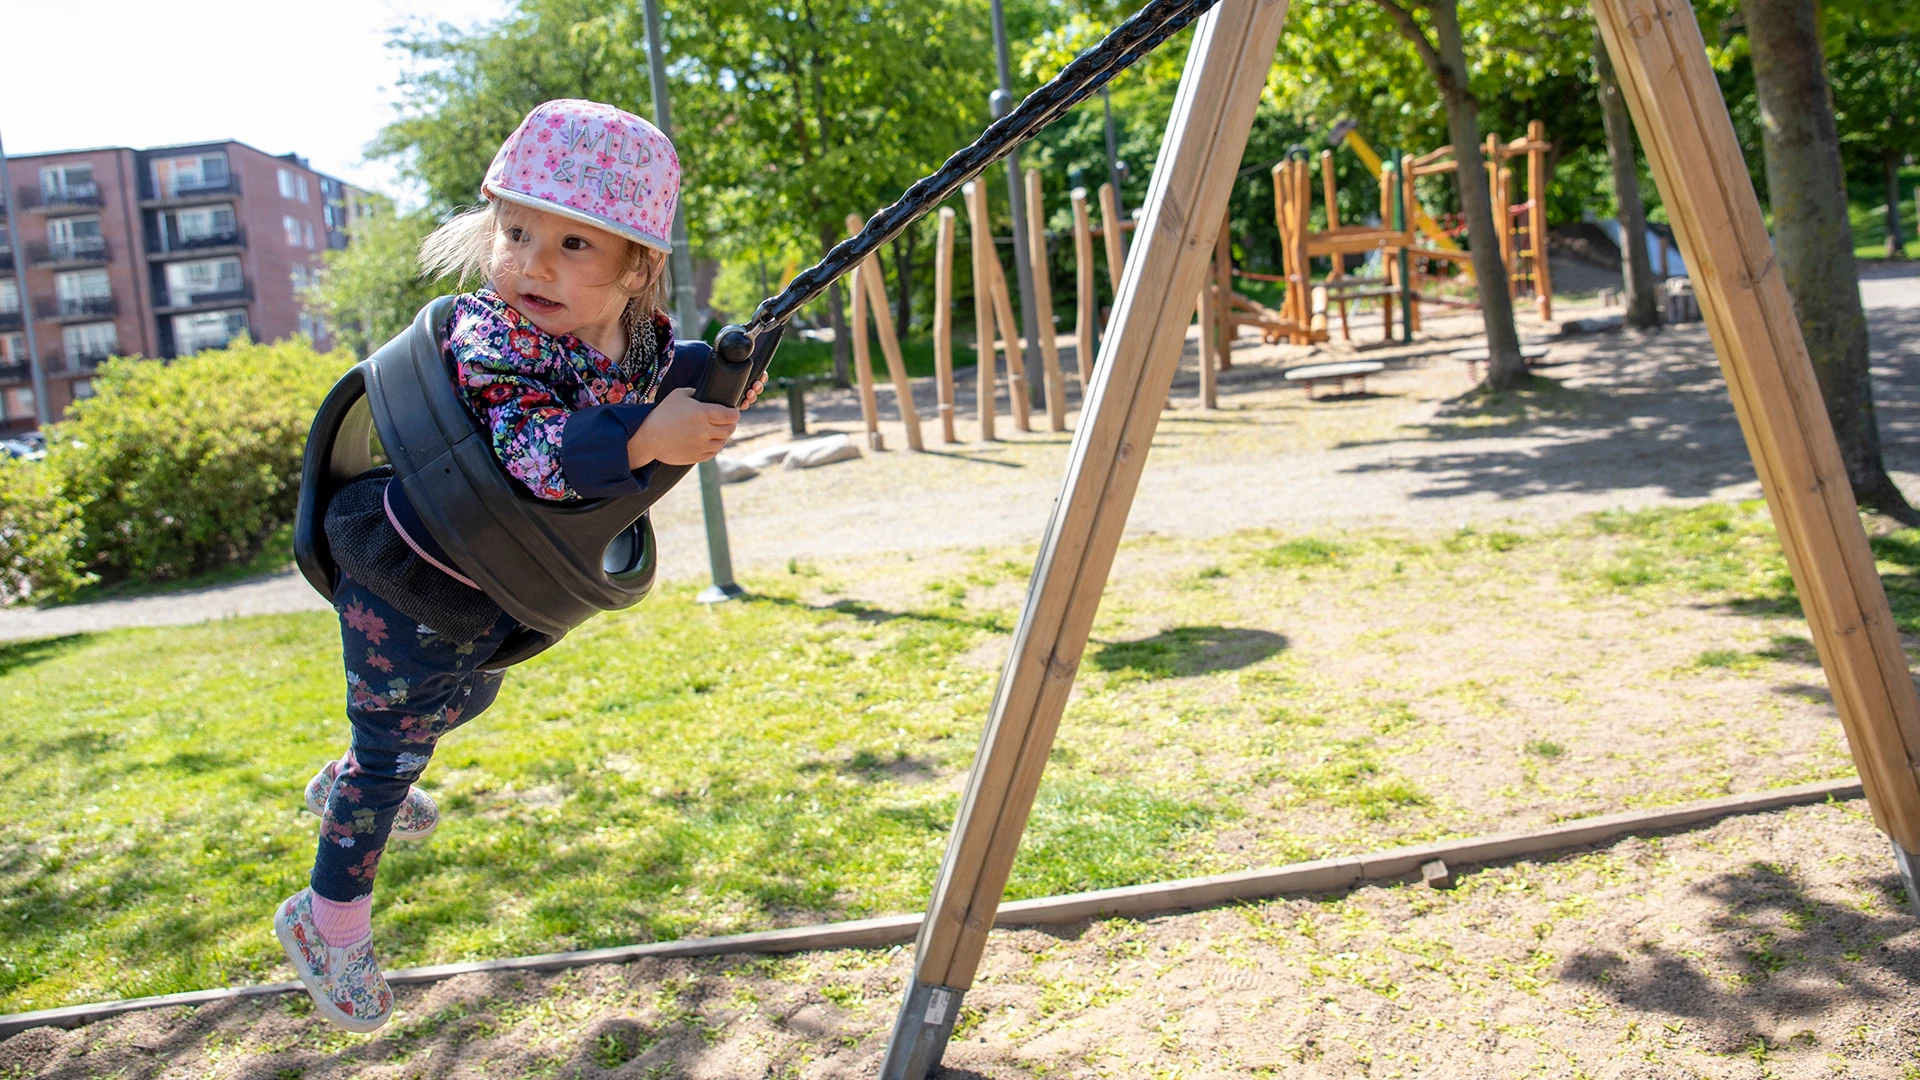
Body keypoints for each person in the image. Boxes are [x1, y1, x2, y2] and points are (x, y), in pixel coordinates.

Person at [273, 99, 761, 1032]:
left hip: (483, 591)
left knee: (474, 694)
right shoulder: (495, 337)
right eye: (518, 231)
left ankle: (352, 779)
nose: (532, 262)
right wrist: (644, 433)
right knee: (393, 755)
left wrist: (722, 374)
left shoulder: (634, 339)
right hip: (407, 573)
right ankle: (327, 922)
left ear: (637, 269)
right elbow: (532, 451)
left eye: (575, 245)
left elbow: (664, 368)